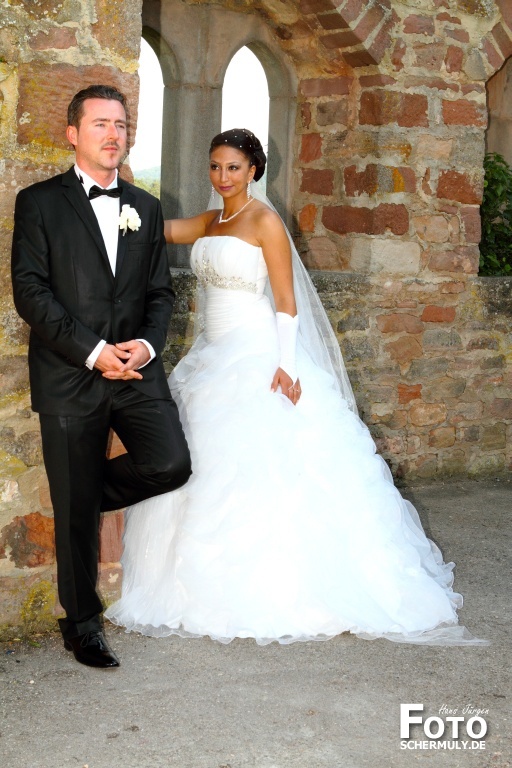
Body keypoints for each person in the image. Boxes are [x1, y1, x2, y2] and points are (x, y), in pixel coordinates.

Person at [106, 128, 484, 646]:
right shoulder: (212, 220)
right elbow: (161, 230)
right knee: (201, 461)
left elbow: (286, 301)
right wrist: (118, 203)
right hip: (212, 355)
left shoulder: (264, 221)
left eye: (233, 167)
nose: (222, 176)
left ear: (253, 171)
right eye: (215, 166)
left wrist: (287, 364)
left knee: (263, 466)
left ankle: (276, 586)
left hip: (259, 352)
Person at [11, 84, 192, 668]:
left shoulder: (146, 206)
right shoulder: (38, 203)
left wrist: (145, 346)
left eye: (121, 124)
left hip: (136, 374)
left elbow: (160, 293)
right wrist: (92, 352)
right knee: (74, 502)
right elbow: (30, 293)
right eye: (100, 124)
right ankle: (82, 624)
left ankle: (80, 497)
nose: (113, 134)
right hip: (70, 373)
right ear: (73, 134)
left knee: (170, 463)